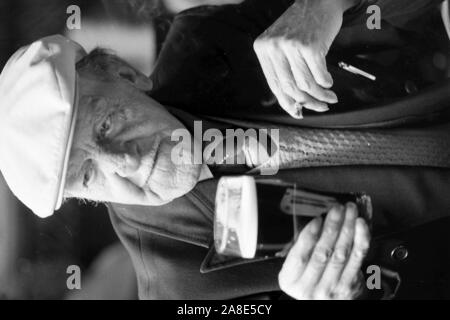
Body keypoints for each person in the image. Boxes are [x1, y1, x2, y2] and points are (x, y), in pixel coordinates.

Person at [0, 0, 449, 300]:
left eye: (106, 125)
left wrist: (324, 5)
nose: (126, 162)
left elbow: (415, 14)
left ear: (123, 74)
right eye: (87, 174)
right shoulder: (175, 290)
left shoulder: (207, 40)